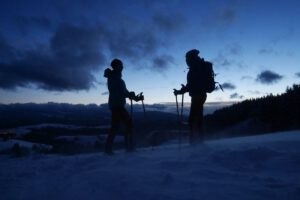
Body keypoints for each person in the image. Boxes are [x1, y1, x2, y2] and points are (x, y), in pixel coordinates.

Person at [103, 58, 143, 154]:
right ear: (117, 66)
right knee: (128, 124)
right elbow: (122, 92)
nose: (122, 68)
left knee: (116, 127)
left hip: (116, 105)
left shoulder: (114, 77)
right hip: (118, 106)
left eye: (122, 66)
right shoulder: (115, 78)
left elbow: (123, 92)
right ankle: (129, 148)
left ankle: (109, 149)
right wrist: (133, 96)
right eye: (121, 66)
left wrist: (135, 97)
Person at [174, 49, 209, 144]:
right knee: (198, 117)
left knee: (193, 118)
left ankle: (194, 142)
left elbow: (191, 85)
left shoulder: (195, 69)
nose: (187, 62)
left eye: (187, 60)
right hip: (201, 95)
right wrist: (182, 90)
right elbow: (192, 85)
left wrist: (180, 91)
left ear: (191, 59)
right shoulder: (199, 67)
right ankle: (199, 140)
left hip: (197, 95)